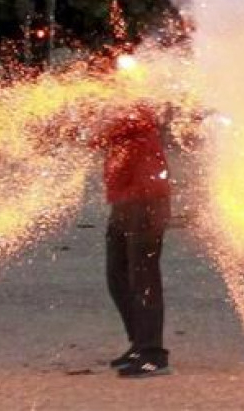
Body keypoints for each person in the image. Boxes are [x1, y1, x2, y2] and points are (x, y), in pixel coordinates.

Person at [91, 98, 173, 378]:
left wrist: (94, 118)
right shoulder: (118, 109)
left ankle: (153, 353)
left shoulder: (135, 109)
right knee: (117, 274)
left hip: (146, 201)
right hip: (124, 201)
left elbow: (106, 131)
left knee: (143, 276)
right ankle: (139, 342)